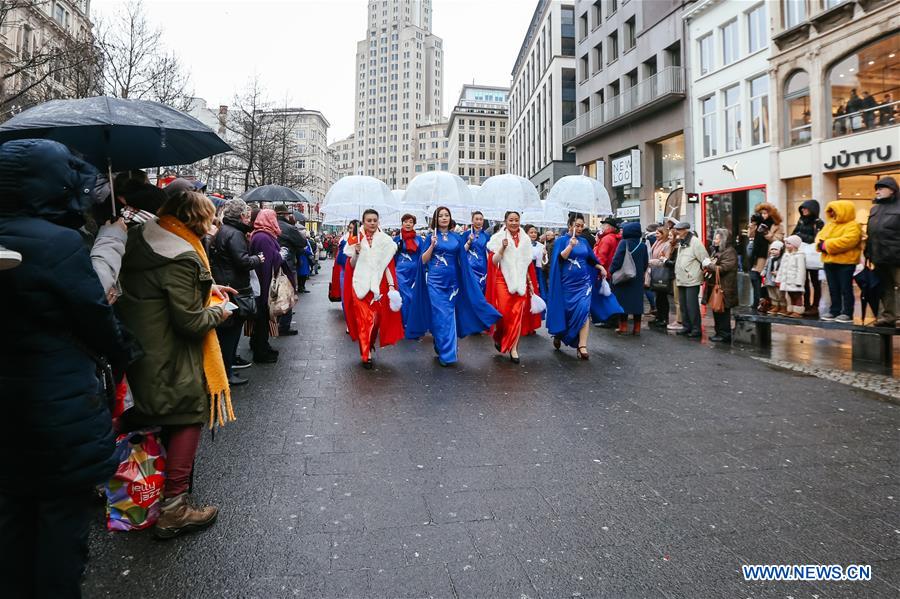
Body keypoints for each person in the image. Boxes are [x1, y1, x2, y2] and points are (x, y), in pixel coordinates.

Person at [0, 139, 133, 598]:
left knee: (11, 521)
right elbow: (97, 321)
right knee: (60, 528)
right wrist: (124, 352)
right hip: (58, 412)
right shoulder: (59, 244)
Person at [117, 189, 236, 540]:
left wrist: (210, 287)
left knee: (141, 414)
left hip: (140, 345)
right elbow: (190, 321)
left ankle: (121, 482)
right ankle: (174, 507)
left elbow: (161, 290)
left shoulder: (144, 238)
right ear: (196, 219)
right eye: (209, 217)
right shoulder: (183, 256)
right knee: (187, 413)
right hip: (168, 353)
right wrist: (219, 310)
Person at [411, 206, 500, 366]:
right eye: (441, 216)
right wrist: (432, 245)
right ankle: (445, 351)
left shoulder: (457, 238)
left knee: (448, 317)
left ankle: (446, 350)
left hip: (452, 283)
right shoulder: (430, 237)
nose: (444, 218)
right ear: (436, 219)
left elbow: (462, 260)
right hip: (435, 282)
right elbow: (423, 261)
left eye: (446, 215)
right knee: (440, 316)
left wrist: (467, 280)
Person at [209, 198, 263, 385]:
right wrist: (257, 259)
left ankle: (227, 370)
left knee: (227, 333)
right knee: (230, 335)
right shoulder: (235, 234)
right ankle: (226, 372)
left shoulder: (224, 231)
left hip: (226, 285)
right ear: (242, 216)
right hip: (234, 288)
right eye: (248, 216)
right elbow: (242, 261)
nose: (249, 219)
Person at [343, 209, 404, 368]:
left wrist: (391, 286)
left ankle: (369, 343)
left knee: (376, 321)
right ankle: (366, 355)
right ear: (363, 221)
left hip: (378, 287)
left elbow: (388, 266)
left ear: (378, 221)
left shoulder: (386, 241)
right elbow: (351, 266)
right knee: (364, 320)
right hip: (360, 285)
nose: (371, 223)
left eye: (374, 220)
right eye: (368, 220)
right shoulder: (355, 238)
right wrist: (356, 252)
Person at [547, 213, 607, 359]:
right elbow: (559, 260)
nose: (580, 228)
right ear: (570, 226)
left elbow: (591, 259)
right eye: (577, 225)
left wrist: (600, 267)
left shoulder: (585, 241)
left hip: (584, 283)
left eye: (582, 226)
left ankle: (582, 345)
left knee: (583, 311)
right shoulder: (561, 241)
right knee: (568, 312)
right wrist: (570, 247)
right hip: (567, 284)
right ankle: (560, 333)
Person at [486, 212, 541, 363]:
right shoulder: (498, 238)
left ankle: (514, 348)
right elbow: (494, 261)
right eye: (511, 220)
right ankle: (499, 336)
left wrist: (530, 283)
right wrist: (502, 248)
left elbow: (527, 264)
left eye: (517, 220)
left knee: (517, 314)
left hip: (520, 282)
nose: (514, 223)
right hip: (502, 281)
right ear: (505, 221)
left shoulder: (525, 239)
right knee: (504, 314)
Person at [249, 209, 289, 362]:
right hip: (263, 284)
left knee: (262, 320)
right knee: (262, 320)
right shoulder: (263, 237)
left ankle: (262, 346)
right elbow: (267, 264)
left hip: (261, 283)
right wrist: (280, 256)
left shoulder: (262, 235)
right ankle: (261, 351)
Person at [816, 200, 863, 322]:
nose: (831, 213)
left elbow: (848, 241)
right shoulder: (830, 224)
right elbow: (819, 237)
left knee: (845, 288)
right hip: (829, 262)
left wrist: (826, 245)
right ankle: (834, 310)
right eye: (830, 210)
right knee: (833, 288)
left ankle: (847, 313)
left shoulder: (853, 225)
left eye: (834, 210)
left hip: (846, 263)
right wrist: (822, 244)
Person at [864, 176, 900, 328]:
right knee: (885, 288)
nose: (877, 191)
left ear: (892, 190)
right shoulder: (875, 208)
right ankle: (888, 316)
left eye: (881, 188)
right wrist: (868, 252)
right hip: (879, 256)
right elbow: (871, 232)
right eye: (876, 188)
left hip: (897, 255)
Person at [610, 222, 649, 336]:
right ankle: (637, 328)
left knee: (623, 302)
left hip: (624, 277)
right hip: (637, 278)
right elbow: (645, 263)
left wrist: (612, 271)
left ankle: (623, 327)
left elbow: (617, 260)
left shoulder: (624, 243)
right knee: (637, 303)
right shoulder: (643, 245)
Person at [671, 222, 709, 338]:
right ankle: (686, 326)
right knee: (683, 305)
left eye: (679, 230)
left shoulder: (695, 242)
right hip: (681, 279)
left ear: (685, 230)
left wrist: (699, 273)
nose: (676, 232)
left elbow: (705, 259)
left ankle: (696, 329)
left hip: (691, 279)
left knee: (691, 306)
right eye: (676, 229)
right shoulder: (682, 242)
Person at [393, 214, 428, 337]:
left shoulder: (419, 240)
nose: (408, 224)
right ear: (402, 223)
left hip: (415, 272)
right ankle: (404, 324)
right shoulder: (396, 239)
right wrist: (396, 247)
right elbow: (391, 257)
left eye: (411, 222)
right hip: (399, 272)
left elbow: (423, 256)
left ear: (414, 224)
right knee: (405, 297)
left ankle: (412, 324)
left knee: (413, 298)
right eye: (405, 222)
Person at [703, 228, 739, 342]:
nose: (714, 240)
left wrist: (709, 265)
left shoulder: (729, 252)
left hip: (725, 287)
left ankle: (724, 334)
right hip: (716, 286)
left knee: (722, 312)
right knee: (717, 310)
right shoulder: (717, 250)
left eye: (717, 238)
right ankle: (719, 332)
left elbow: (723, 268)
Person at [748, 202, 784, 312]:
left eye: (765, 213)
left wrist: (767, 233)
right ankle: (757, 301)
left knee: (766, 281)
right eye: (761, 213)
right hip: (756, 254)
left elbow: (778, 241)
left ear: (771, 213)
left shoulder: (777, 225)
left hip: (768, 255)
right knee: (755, 278)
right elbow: (750, 235)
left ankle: (768, 303)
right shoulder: (758, 223)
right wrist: (753, 224)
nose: (763, 215)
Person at [791, 199, 824, 317]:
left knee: (815, 282)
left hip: (813, 255)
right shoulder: (801, 220)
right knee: (803, 281)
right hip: (801, 255)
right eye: (802, 208)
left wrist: (800, 236)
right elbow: (793, 234)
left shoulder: (818, 222)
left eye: (805, 208)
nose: (803, 210)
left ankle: (815, 306)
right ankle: (806, 305)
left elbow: (817, 238)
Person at [275, 207, 303, 336]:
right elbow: (302, 242)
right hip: (288, 264)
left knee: (274, 293)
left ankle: (275, 321)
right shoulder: (289, 228)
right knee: (288, 293)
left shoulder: (270, 225)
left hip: (272, 265)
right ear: (286, 215)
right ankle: (284, 325)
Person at [648, 225, 673, 328]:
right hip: (655, 271)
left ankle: (664, 318)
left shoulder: (667, 245)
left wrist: (653, 262)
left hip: (662, 273)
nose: (656, 235)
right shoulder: (657, 242)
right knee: (658, 297)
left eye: (658, 233)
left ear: (663, 234)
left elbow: (665, 260)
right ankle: (659, 317)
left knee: (662, 297)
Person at [777, 235, 808, 319]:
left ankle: (798, 310)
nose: (786, 245)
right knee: (790, 295)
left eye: (788, 243)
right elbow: (781, 268)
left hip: (795, 280)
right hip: (787, 280)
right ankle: (791, 309)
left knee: (797, 295)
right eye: (786, 243)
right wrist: (779, 279)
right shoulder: (786, 255)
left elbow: (801, 270)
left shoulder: (800, 255)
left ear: (794, 245)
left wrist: (799, 281)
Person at [464, 210, 490, 294]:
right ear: (472, 221)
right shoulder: (465, 234)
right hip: (469, 266)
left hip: (482, 267)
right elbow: (462, 251)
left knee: (482, 291)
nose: (479, 221)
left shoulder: (486, 236)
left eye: (481, 219)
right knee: (471, 291)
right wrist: (469, 241)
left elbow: (489, 252)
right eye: (476, 219)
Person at [525, 224, 549, 300]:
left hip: (538, 271)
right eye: (531, 232)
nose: (534, 234)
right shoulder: (523, 245)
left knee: (540, 291)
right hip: (527, 270)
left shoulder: (541, 246)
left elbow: (544, 262)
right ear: (526, 234)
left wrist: (544, 255)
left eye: (535, 232)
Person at [763, 241, 786, 315]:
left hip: (778, 279)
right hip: (769, 278)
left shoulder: (782, 259)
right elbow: (766, 266)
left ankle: (783, 307)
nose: (773, 251)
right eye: (772, 249)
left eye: (776, 249)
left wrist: (778, 273)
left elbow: (783, 268)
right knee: (772, 293)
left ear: (781, 250)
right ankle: (775, 305)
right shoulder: (770, 258)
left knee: (779, 293)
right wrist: (764, 271)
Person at [297, 228, 314, 293]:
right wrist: (305, 250)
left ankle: (301, 287)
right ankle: (301, 287)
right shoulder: (304, 241)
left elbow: (308, 250)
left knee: (303, 274)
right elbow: (308, 250)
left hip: (303, 259)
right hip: (302, 259)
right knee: (302, 274)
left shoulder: (305, 241)